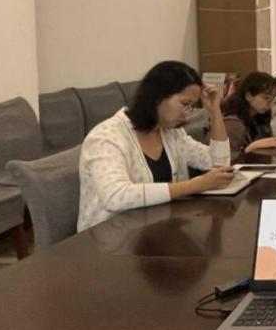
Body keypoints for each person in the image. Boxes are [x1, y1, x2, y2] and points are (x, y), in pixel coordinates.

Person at [78, 61, 234, 231]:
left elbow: (218, 162)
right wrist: (195, 185)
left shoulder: (170, 133)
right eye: (184, 104)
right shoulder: (106, 137)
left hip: (155, 230)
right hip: (108, 238)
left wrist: (215, 111)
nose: (187, 114)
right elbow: (117, 196)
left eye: (192, 106)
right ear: (157, 97)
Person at [220, 72, 276, 155]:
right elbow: (227, 158)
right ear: (248, 95)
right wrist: (252, 147)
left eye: (273, 99)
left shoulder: (260, 117)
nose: (270, 104)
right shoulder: (232, 123)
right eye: (266, 98)